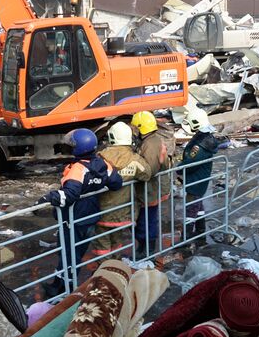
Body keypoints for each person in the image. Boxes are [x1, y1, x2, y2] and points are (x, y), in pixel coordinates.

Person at [41, 128, 122, 280]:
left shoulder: (78, 168)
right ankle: (64, 281)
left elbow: (70, 194)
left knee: (69, 254)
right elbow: (117, 183)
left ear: (78, 148)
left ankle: (63, 288)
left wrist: (47, 198)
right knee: (78, 251)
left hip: (73, 218)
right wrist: (97, 184)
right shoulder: (102, 164)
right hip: (91, 216)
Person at [95, 121, 147, 258]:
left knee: (102, 243)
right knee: (116, 241)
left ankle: (104, 269)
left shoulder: (100, 157)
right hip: (123, 212)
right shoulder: (134, 159)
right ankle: (116, 264)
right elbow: (147, 173)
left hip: (101, 211)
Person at [131, 111, 175, 258]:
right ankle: (145, 247)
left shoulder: (150, 144)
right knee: (147, 219)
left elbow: (148, 170)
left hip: (151, 189)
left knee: (147, 221)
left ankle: (147, 250)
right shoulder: (152, 140)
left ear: (141, 127)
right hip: (152, 188)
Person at [179, 110, 222, 240]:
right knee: (198, 205)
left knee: (191, 208)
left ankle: (185, 238)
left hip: (196, 180)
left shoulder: (200, 145)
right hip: (200, 179)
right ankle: (200, 229)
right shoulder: (206, 138)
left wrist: (179, 168)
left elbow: (192, 162)